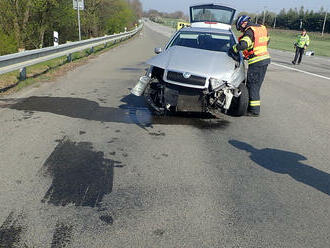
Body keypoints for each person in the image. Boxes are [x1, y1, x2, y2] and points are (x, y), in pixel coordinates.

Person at [228, 15, 271, 117]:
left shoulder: (249, 31)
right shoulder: (261, 28)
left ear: (243, 23)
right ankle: (253, 109)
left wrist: (233, 49)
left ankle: (254, 111)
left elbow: (243, 45)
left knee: (252, 86)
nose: (242, 31)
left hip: (257, 61)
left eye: (240, 28)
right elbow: (267, 40)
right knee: (256, 85)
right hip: (264, 59)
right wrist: (251, 50)